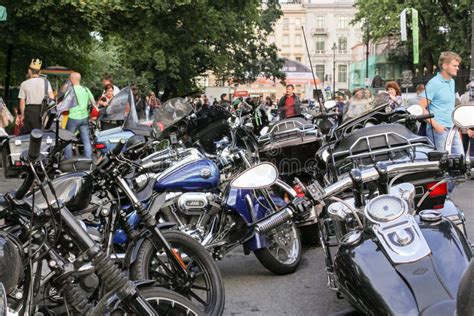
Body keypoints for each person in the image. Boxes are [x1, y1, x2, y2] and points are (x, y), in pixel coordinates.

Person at [420, 51, 463, 190]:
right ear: (445, 65)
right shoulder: (434, 83)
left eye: (458, 65)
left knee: (460, 164)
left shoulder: (452, 82)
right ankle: (442, 197)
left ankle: (445, 194)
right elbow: (420, 108)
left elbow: (450, 108)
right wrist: (436, 125)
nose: (458, 68)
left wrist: (462, 127)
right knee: (442, 167)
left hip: (452, 129)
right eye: (455, 65)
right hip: (438, 131)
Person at [63, 72, 95, 160]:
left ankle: (68, 158)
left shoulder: (70, 90)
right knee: (86, 139)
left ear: (72, 79)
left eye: (70, 79)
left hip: (73, 118)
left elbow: (65, 105)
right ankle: (88, 158)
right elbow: (93, 102)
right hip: (84, 118)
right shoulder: (85, 89)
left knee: (67, 139)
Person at [18, 59, 54, 134]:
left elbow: (22, 101)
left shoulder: (24, 84)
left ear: (29, 71)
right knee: (41, 135)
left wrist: (22, 115)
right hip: (42, 112)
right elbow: (52, 97)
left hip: (29, 112)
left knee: (27, 135)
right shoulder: (46, 82)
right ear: (40, 72)